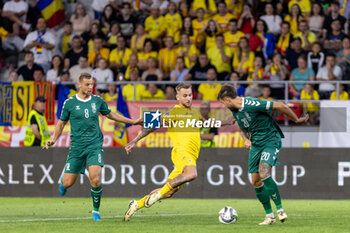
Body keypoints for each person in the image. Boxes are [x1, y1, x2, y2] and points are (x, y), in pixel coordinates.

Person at [44, 73, 141, 221]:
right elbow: (61, 123)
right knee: (68, 183)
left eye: (92, 84)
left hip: (94, 145)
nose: (91, 87)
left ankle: (96, 211)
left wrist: (132, 122)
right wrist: (53, 139)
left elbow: (111, 114)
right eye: (88, 84)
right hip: (76, 147)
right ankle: (64, 178)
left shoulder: (97, 101)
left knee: (95, 179)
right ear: (80, 85)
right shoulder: (69, 103)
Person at [217, 84, 309, 225]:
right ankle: (269, 216)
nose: (223, 106)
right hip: (256, 144)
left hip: (270, 139)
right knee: (255, 181)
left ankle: (280, 210)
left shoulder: (251, 103)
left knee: (264, 172)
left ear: (228, 99)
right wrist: (246, 139)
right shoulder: (235, 110)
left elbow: (279, 105)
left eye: (223, 102)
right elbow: (242, 126)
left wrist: (296, 120)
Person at [123, 83, 201, 221]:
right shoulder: (175, 112)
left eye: (190, 95)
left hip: (191, 156)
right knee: (192, 174)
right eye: (185, 96)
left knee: (168, 192)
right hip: (182, 153)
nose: (188, 98)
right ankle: (155, 198)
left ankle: (137, 204)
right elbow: (153, 125)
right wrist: (135, 140)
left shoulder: (194, 113)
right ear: (177, 97)